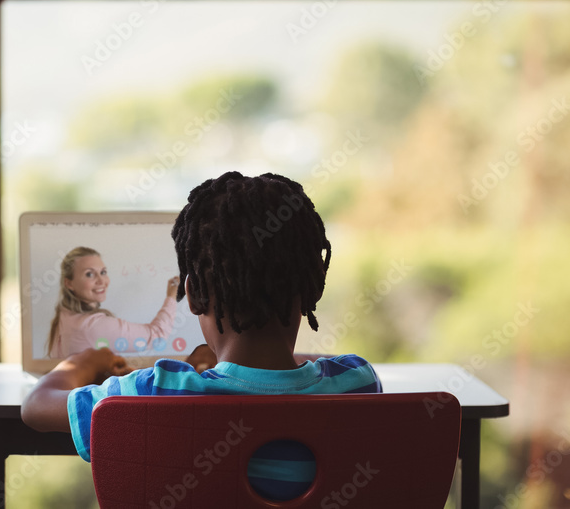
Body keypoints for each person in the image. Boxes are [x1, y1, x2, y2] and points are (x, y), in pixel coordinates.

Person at [22, 172, 382, 502]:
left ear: (192, 294)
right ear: (314, 285)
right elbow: (304, 369)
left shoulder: (154, 391)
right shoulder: (358, 383)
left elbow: (36, 406)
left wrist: (85, 361)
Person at [45, 246, 180, 358]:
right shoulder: (92, 326)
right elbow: (157, 337)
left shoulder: (65, 314)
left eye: (103, 272)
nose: (101, 280)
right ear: (69, 283)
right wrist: (171, 296)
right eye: (89, 274)